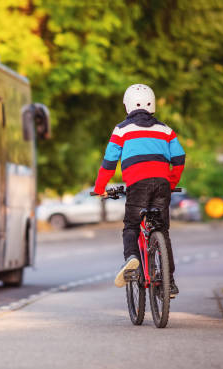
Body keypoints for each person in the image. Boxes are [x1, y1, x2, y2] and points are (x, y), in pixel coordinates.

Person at [93, 84, 185, 296]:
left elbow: (109, 162)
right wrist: (170, 183)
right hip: (162, 184)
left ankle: (132, 257)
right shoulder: (166, 130)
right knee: (161, 230)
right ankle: (169, 283)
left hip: (137, 184)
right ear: (152, 105)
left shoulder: (121, 130)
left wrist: (100, 189)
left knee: (131, 226)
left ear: (127, 105)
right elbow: (179, 158)